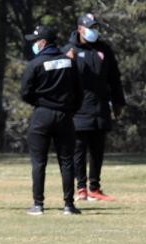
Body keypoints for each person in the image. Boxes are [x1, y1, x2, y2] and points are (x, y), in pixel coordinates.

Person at [62, 13, 126, 202]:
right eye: (91, 27)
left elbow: (114, 78)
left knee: (98, 150)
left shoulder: (104, 49)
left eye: (96, 27)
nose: (94, 31)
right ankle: (81, 188)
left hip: (100, 108)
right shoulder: (69, 49)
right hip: (78, 109)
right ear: (80, 29)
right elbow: (62, 80)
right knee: (79, 150)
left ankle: (95, 188)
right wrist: (69, 62)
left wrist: (118, 102)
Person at [21, 25, 83, 216]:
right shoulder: (69, 62)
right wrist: (70, 109)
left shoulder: (35, 64)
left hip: (42, 115)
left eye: (35, 41)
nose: (34, 44)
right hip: (64, 116)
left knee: (39, 162)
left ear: (43, 42)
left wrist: (39, 102)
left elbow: (25, 92)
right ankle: (69, 205)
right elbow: (79, 92)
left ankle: (38, 205)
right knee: (66, 161)